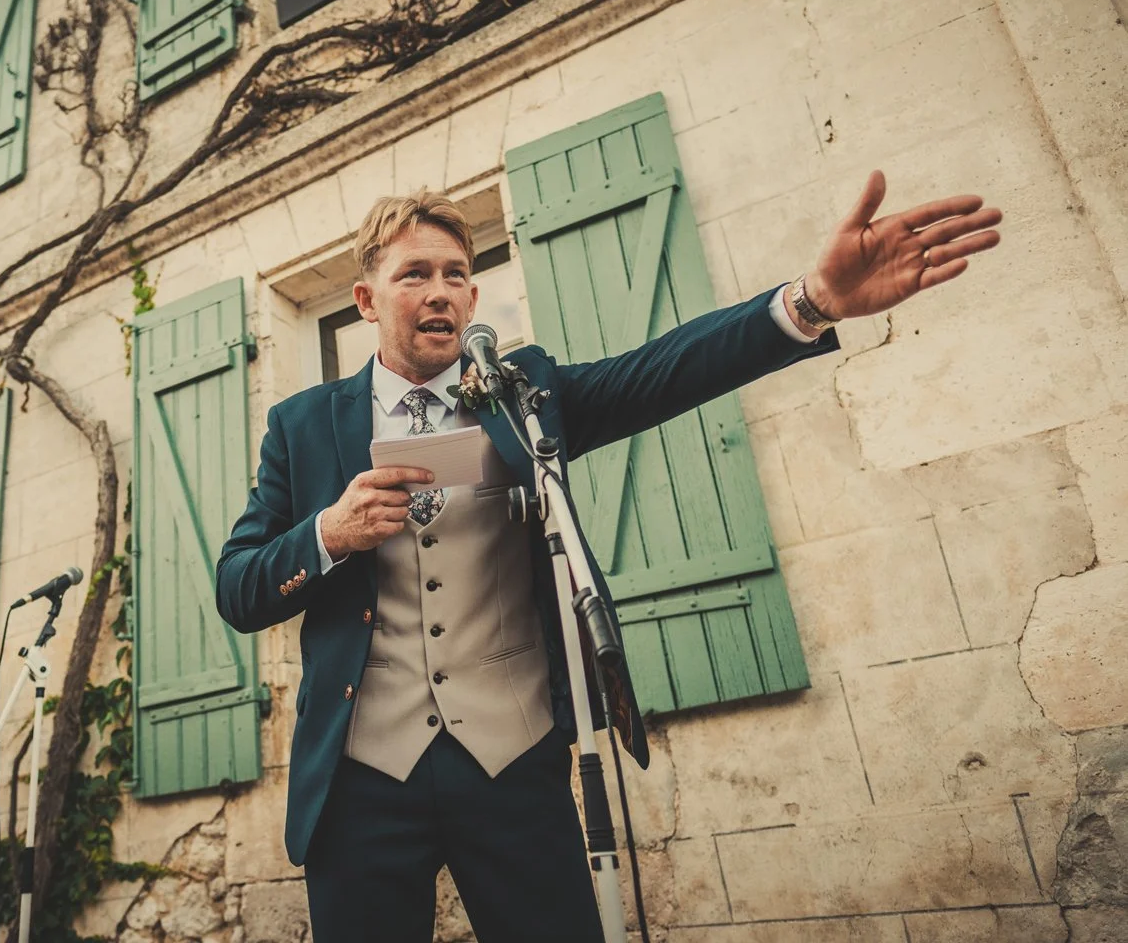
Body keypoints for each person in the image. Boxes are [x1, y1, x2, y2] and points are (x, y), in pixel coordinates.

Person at [215, 174, 1002, 942]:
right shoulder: (302, 425)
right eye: (414, 274)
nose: (441, 292)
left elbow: (663, 371)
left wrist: (809, 303)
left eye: (457, 274)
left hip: (514, 760)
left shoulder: (524, 393)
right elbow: (239, 589)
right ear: (365, 300)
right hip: (362, 780)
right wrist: (329, 534)